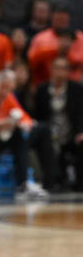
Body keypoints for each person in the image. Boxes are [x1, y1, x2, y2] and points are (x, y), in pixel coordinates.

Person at [0, 70, 50, 199]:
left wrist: (25, 125)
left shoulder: (9, 97)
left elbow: (24, 117)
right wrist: (2, 124)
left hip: (5, 136)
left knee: (21, 134)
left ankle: (23, 184)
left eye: (9, 89)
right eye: (3, 88)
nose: (5, 93)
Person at [33, 57, 83, 191]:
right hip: (49, 134)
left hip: (71, 132)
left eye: (64, 68)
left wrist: (80, 132)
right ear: (51, 70)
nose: (60, 72)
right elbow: (37, 115)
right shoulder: (42, 89)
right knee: (45, 143)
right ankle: (53, 182)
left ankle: (79, 184)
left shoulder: (76, 89)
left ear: (68, 72)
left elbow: (80, 114)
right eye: (57, 68)